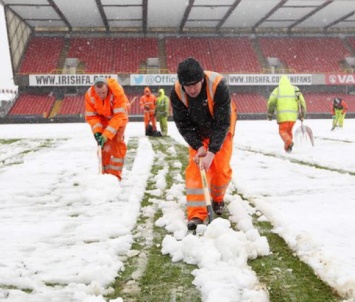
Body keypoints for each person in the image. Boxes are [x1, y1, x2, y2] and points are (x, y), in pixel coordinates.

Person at [170, 57, 237, 231]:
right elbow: (183, 124)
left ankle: (217, 198)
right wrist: (199, 146)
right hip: (197, 131)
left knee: (220, 169)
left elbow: (222, 123)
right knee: (195, 171)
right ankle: (196, 214)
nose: (191, 89)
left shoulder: (218, 85)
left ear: (202, 79)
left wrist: (212, 151)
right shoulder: (177, 92)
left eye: (194, 84)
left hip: (221, 128)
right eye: (187, 85)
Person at [84, 77, 129, 181]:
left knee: (116, 145)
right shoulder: (90, 94)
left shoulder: (117, 92)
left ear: (107, 88)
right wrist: (98, 133)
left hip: (119, 117)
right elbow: (92, 117)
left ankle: (115, 176)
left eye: (103, 92)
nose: (101, 95)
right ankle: (105, 175)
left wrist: (107, 135)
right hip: (103, 118)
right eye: (98, 93)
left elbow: (118, 116)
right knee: (103, 147)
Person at [267, 75, 306, 153]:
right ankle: (288, 148)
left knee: (283, 131)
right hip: (293, 117)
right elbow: (302, 102)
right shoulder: (295, 89)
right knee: (288, 132)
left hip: (282, 117)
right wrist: (303, 114)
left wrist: (270, 113)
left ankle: (289, 142)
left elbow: (271, 102)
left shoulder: (277, 90)